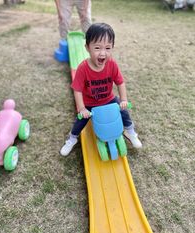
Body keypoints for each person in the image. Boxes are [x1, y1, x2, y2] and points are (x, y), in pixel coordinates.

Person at [60, 23, 142, 156]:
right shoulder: (83, 68)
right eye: (97, 48)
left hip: (108, 99)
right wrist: (82, 108)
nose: (103, 53)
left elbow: (120, 82)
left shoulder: (112, 64)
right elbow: (77, 90)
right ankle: (72, 139)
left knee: (124, 112)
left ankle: (129, 131)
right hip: (89, 103)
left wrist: (124, 100)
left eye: (108, 48)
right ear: (87, 48)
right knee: (80, 121)